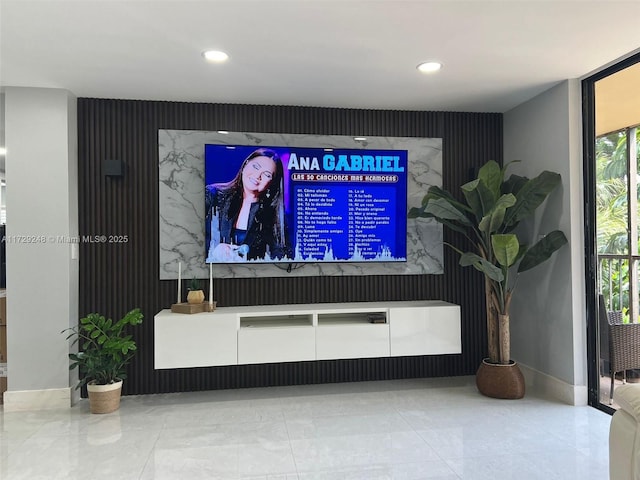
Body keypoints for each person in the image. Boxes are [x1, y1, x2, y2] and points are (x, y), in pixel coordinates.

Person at [205, 148, 291, 262]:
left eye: (267, 174)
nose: (257, 176)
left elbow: (283, 255)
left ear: (272, 183)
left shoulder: (273, 214)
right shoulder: (212, 195)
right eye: (256, 167)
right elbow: (190, 239)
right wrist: (214, 250)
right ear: (245, 164)